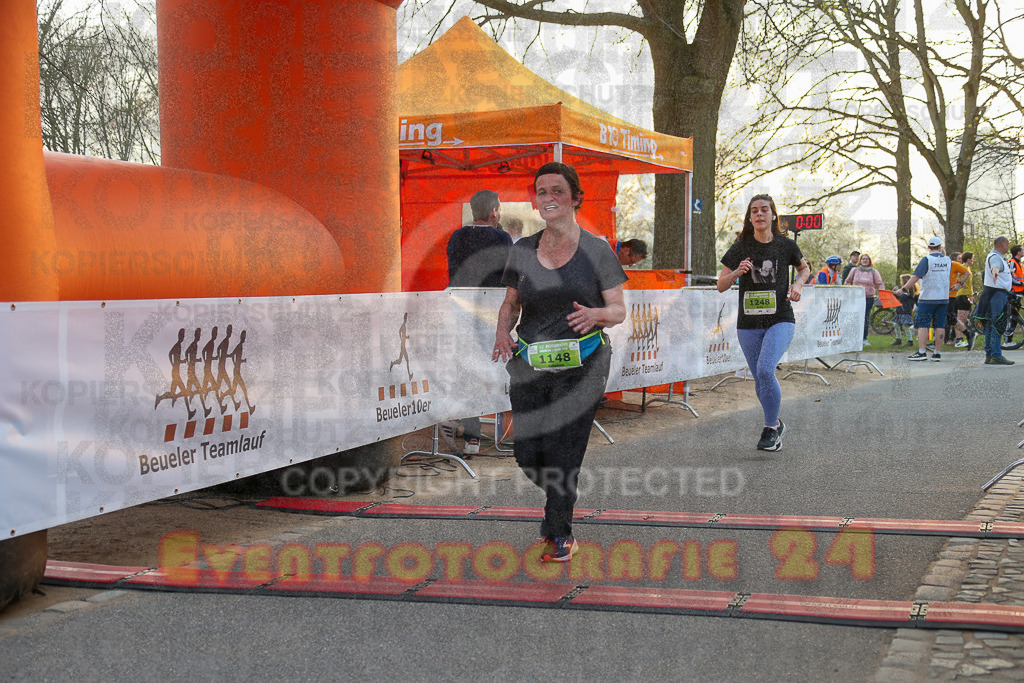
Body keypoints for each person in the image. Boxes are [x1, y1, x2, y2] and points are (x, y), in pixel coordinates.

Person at [492, 162, 627, 562]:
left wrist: (596, 316)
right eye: (541, 191)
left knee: (565, 449)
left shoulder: (597, 250)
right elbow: (510, 303)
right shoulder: (522, 250)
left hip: (584, 361)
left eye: (556, 191)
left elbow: (618, 310)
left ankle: (560, 531)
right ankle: (562, 491)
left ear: (575, 198)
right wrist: (502, 332)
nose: (547, 198)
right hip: (531, 361)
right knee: (527, 453)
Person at [718, 194, 808, 452]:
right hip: (748, 323)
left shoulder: (785, 245)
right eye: (754, 210)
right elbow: (721, 285)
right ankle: (777, 423)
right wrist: (736, 273)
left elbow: (804, 268)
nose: (759, 214)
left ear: (773, 215)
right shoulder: (739, 248)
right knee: (760, 378)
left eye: (764, 210)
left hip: (780, 318)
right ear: (750, 217)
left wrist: (798, 284)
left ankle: (770, 428)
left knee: (767, 370)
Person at [447, 190, 513, 454]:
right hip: (492, 316)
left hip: (460, 314)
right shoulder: (502, 238)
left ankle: (472, 436)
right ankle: (505, 432)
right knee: (497, 367)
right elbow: (511, 277)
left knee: (467, 373)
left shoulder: (456, 236)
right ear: (494, 211)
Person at [896, 236, 955, 361]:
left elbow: (916, 277)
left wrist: (904, 289)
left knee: (923, 325)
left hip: (928, 297)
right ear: (940, 247)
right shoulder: (948, 260)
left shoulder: (927, 260)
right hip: (943, 297)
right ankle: (937, 353)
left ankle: (922, 352)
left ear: (929, 247)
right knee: (940, 325)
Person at [975, 236, 1015, 365]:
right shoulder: (995, 257)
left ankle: (989, 354)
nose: (1008, 247)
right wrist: (995, 272)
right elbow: (995, 266)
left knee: (989, 326)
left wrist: (1009, 272)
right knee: (997, 325)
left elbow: (998, 267)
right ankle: (996, 355)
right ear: (1002, 244)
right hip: (997, 296)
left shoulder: (994, 256)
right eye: (1007, 245)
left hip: (990, 294)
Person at [844, 252, 884, 346]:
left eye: (867, 259)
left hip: (868, 298)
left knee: (865, 317)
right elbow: (847, 281)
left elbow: (880, 284)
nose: (865, 260)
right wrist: (849, 291)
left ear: (869, 261)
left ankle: (864, 338)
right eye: (863, 259)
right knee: (854, 317)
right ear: (860, 261)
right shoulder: (854, 270)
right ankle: (852, 338)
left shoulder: (874, 272)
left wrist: (881, 294)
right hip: (855, 298)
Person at [953, 251, 975, 348]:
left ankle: (961, 339)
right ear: (968, 259)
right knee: (960, 319)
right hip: (962, 295)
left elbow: (970, 285)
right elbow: (955, 277)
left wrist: (972, 295)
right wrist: (961, 283)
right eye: (972, 258)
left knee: (964, 319)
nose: (973, 260)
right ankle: (959, 340)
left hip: (968, 296)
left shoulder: (968, 268)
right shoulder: (963, 267)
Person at [892, 274, 915, 346]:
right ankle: (898, 339)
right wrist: (894, 292)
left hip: (905, 312)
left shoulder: (907, 293)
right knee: (896, 324)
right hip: (900, 312)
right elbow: (898, 298)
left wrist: (896, 291)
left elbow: (901, 298)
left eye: (901, 281)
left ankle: (910, 340)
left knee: (905, 326)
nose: (901, 282)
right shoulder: (903, 292)